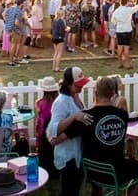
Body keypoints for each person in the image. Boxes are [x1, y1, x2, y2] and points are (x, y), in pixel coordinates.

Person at [52, 77, 138, 196]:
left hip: (91, 170)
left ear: (96, 93)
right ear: (113, 93)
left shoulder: (85, 117)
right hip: (115, 171)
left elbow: (57, 140)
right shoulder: (123, 115)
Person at [47, 67, 91, 196]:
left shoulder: (74, 97)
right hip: (67, 155)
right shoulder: (61, 102)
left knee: (74, 189)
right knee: (68, 191)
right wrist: (73, 117)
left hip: (76, 152)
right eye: (78, 85)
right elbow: (54, 129)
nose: (81, 88)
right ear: (69, 83)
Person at [35, 76, 59, 178]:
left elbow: (39, 122)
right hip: (56, 132)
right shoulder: (58, 102)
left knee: (44, 153)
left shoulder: (39, 103)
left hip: (43, 133)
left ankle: (45, 170)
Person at [110, 0, 138, 70]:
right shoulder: (129, 10)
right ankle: (127, 64)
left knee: (119, 47)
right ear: (127, 3)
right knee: (126, 48)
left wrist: (119, 23)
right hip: (127, 30)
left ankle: (119, 63)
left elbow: (113, 21)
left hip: (119, 30)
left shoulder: (116, 11)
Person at [51, 7, 67, 73]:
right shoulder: (61, 21)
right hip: (59, 38)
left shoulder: (55, 20)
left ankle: (54, 67)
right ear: (63, 14)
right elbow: (61, 32)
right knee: (59, 53)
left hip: (54, 37)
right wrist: (66, 30)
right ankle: (57, 67)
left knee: (55, 53)